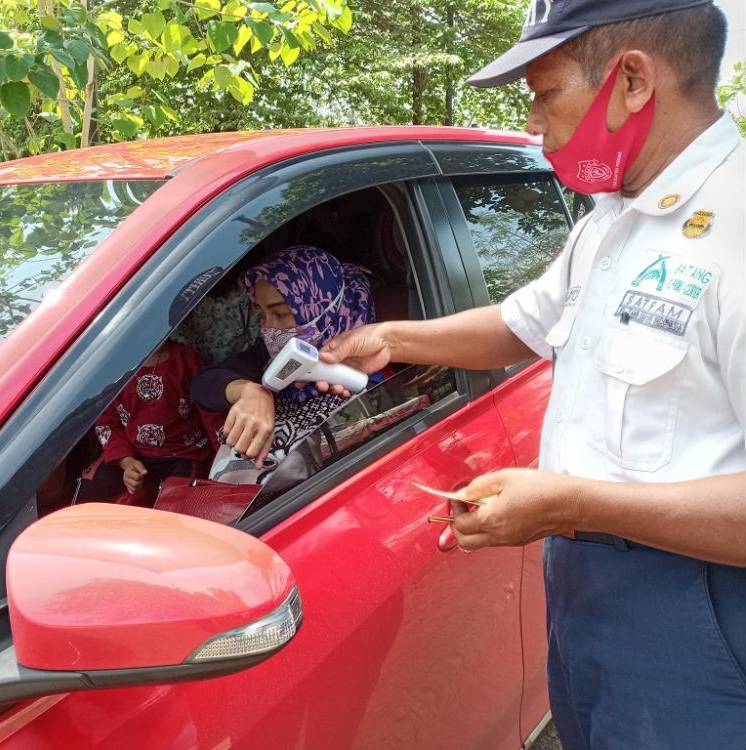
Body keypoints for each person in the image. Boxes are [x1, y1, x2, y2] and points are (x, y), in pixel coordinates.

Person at [318, 2, 746, 748]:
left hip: (695, 605)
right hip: (583, 586)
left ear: (633, 81)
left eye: (546, 93)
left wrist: (571, 502)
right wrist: (392, 337)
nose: (535, 123)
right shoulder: (611, 217)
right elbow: (523, 323)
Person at [190, 245, 376, 484]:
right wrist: (249, 391)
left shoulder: (370, 376)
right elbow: (203, 385)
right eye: (261, 314)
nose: (268, 327)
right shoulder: (271, 353)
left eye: (280, 313)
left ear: (319, 308)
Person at [92, 339, 223, 504]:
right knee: (91, 488)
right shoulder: (114, 370)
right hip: (133, 454)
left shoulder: (187, 359)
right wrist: (126, 461)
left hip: (183, 454)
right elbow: (106, 422)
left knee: (181, 501)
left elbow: (210, 410)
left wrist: (224, 455)